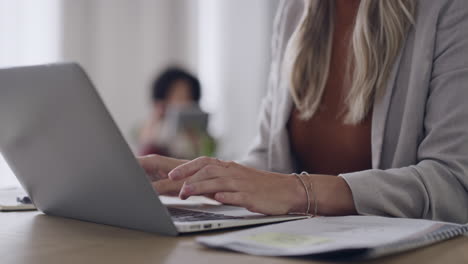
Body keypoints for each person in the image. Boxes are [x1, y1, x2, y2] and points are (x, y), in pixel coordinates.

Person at [138, 0, 468, 223]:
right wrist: (200, 177)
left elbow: (454, 184)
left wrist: (300, 191)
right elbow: (270, 160)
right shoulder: (294, 11)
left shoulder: (449, 11)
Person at [138, 67, 214, 159]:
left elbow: (204, 153)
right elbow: (145, 147)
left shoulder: (196, 130)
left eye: (187, 96)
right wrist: (155, 118)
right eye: (178, 95)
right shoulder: (156, 124)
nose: (183, 102)